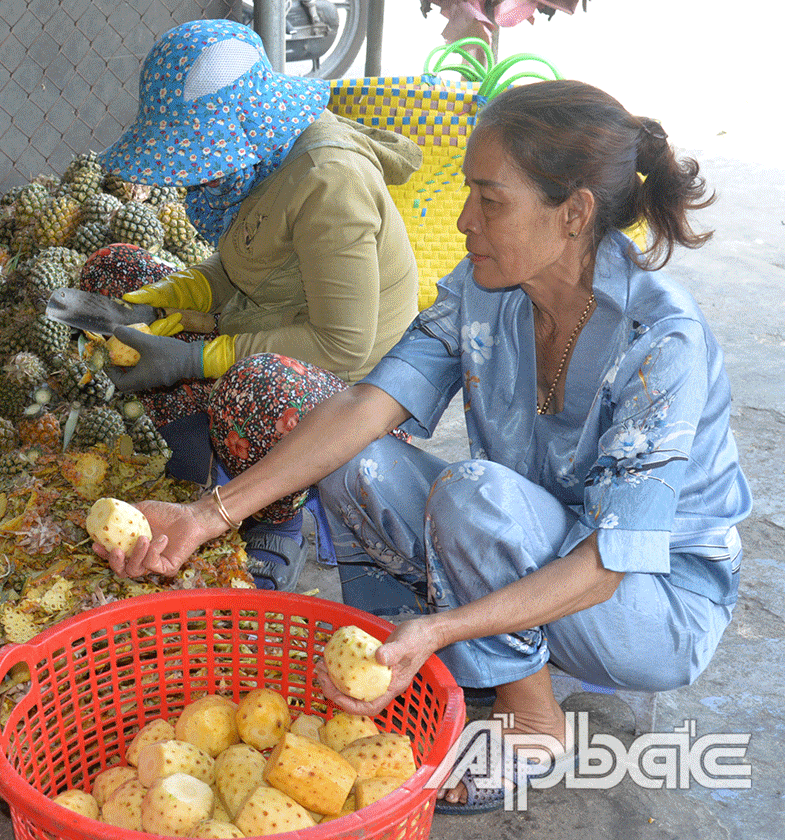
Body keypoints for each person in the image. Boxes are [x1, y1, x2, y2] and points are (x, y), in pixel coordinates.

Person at [95, 79, 751, 813]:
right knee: (347, 452)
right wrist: (207, 515)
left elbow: (608, 562)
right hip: (522, 538)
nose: (465, 219)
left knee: (475, 496)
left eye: (489, 201)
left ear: (574, 213)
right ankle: (399, 661)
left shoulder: (661, 341)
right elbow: (365, 405)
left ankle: (532, 720)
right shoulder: (485, 287)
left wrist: (442, 627)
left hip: (651, 599)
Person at [93, 18, 424, 590]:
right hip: (266, 329)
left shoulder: (329, 181)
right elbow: (246, 262)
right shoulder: (260, 163)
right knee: (115, 273)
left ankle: (276, 517)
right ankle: (199, 464)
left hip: (351, 396)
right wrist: (177, 296)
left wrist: (197, 359)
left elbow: (343, 347)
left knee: (254, 388)